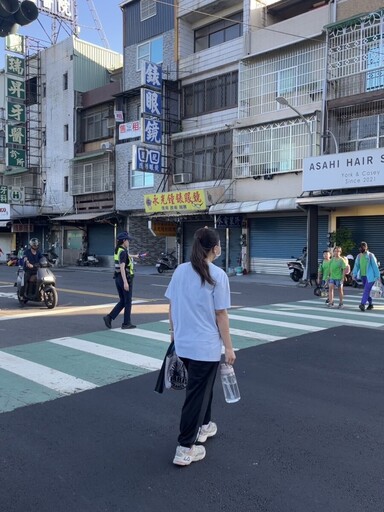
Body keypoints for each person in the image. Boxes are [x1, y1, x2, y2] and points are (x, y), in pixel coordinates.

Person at [165, 227, 236, 466]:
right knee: (195, 394)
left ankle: (204, 426)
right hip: (205, 347)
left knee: (203, 387)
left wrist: (173, 334)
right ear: (215, 248)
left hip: (184, 344)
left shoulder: (180, 271)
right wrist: (229, 347)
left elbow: (172, 306)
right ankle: (185, 448)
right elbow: (221, 315)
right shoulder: (218, 275)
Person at [103, 231, 138, 330]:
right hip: (124, 278)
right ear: (124, 241)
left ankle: (109, 317)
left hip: (118, 278)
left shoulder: (118, 250)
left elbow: (125, 256)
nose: (129, 242)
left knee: (123, 300)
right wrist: (126, 282)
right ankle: (126, 323)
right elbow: (122, 267)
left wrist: (134, 256)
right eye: (128, 240)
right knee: (128, 301)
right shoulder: (123, 251)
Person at [352, 241, 380, 312]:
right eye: (361, 247)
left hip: (371, 276)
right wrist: (354, 274)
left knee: (366, 290)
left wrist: (377, 276)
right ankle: (370, 304)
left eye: (363, 247)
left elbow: (375, 266)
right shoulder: (359, 256)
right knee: (367, 291)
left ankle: (362, 304)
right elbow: (356, 266)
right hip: (363, 276)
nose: (362, 248)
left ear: (366, 247)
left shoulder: (370, 255)